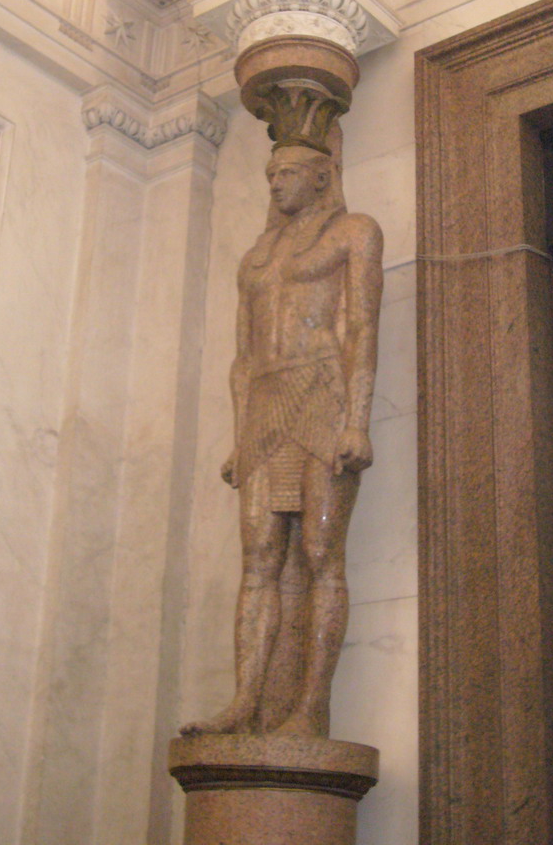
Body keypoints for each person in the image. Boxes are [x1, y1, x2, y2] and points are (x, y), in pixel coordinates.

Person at [181, 128, 382, 737]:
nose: (276, 182)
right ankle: (245, 701)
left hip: (323, 397)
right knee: (259, 559)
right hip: (266, 403)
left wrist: (357, 420)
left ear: (322, 176)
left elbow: (361, 329)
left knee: (322, 555)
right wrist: (241, 437)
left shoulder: (355, 232)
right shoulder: (256, 257)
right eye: (272, 175)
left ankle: (310, 706)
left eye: (288, 172)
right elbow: (241, 356)